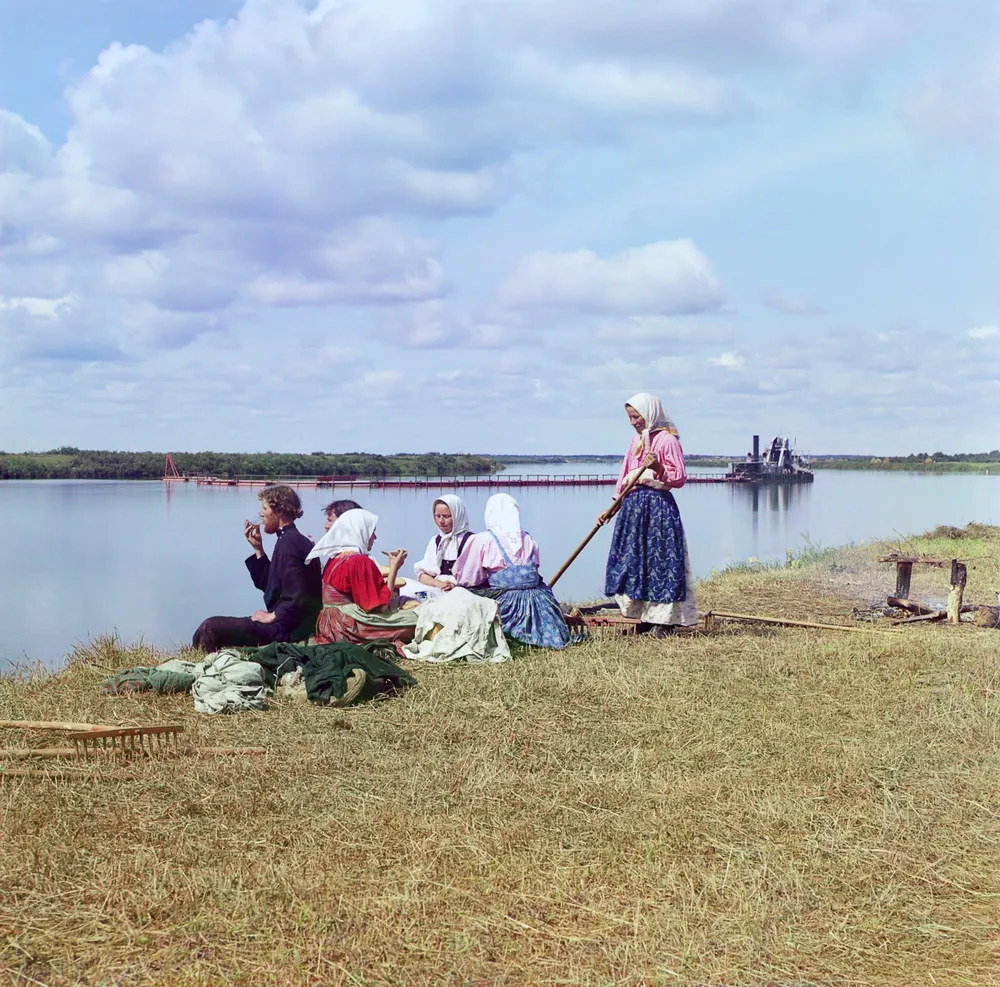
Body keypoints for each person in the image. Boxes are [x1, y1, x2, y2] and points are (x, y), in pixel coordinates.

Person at [599, 392, 697, 635]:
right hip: (633, 509)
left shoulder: (667, 441)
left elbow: (679, 478)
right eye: (630, 418)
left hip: (658, 510)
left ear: (650, 413)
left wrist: (658, 467)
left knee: (660, 562)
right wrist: (613, 507)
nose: (633, 422)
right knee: (635, 563)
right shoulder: (636, 442)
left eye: (637, 417)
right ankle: (642, 617)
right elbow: (624, 478)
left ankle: (664, 621)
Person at [192, 485, 322, 651]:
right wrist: (258, 549)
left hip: (288, 629)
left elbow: (298, 595)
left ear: (280, 511)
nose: (261, 513)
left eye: (265, 508)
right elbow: (271, 585)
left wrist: (273, 616)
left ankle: (206, 666)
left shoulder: (289, 543)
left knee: (209, 627)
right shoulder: (292, 539)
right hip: (291, 624)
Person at [453, 493, 570, 649]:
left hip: (507, 603)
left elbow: (468, 577)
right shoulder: (528, 539)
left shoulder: (484, 540)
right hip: (539, 599)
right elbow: (534, 570)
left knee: (461, 593)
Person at [305, 509, 418, 657]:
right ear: (360, 531)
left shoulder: (336, 557)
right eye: (372, 532)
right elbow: (380, 607)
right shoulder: (358, 561)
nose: (374, 537)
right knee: (414, 621)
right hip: (347, 626)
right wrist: (394, 569)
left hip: (329, 623)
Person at [413, 495, 474, 594]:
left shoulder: (470, 541)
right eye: (438, 516)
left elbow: (475, 577)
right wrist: (438, 583)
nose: (441, 521)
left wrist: (455, 585)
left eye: (446, 516)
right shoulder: (436, 541)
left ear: (457, 515)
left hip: (462, 591)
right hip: (438, 588)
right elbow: (422, 574)